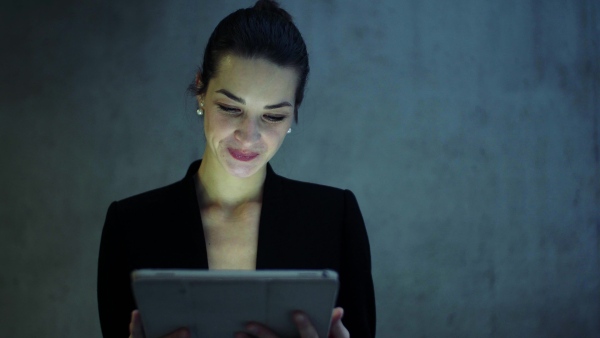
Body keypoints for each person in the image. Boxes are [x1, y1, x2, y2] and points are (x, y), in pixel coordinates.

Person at [97, 1, 376, 337]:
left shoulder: (334, 219)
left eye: (273, 116)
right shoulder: (132, 225)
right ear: (201, 90)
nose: (249, 136)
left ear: (295, 112)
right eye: (230, 108)